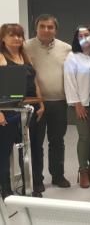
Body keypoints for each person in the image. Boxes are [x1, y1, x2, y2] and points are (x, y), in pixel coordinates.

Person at [24, 14, 72, 192]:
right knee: (36, 142)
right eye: (42, 26)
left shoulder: (66, 48)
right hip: (36, 103)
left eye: (50, 27)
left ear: (55, 30)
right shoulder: (25, 47)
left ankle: (58, 175)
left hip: (59, 102)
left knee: (57, 141)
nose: (46, 30)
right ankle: (37, 179)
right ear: (36, 28)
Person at [0, 23, 44, 198]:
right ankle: (5, 188)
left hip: (28, 110)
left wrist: (41, 104)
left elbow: (34, 82)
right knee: (4, 151)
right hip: (8, 111)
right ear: (3, 38)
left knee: (27, 149)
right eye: (12, 35)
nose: (17, 39)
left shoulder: (26, 57)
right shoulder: (1, 57)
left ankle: (28, 186)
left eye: (19, 35)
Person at [63, 25, 90, 188]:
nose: (84, 38)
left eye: (87, 35)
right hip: (82, 104)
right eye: (80, 36)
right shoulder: (73, 57)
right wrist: (77, 103)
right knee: (85, 137)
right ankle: (83, 171)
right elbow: (69, 82)